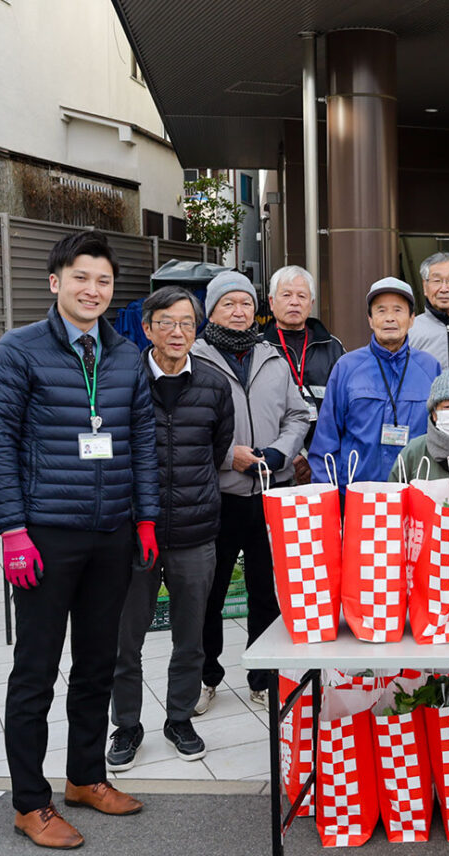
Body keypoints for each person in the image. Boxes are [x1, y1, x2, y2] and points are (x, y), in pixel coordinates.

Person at [0, 230, 159, 848]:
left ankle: (85, 777)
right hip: (46, 536)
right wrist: (12, 531)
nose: (93, 289)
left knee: (96, 665)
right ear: (56, 282)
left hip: (111, 533)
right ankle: (30, 803)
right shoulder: (19, 350)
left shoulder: (126, 355)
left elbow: (142, 442)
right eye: (81, 277)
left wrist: (145, 519)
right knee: (36, 670)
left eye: (103, 280)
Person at [108, 286, 234, 771]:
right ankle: (127, 726)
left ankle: (179, 719)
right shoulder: (124, 382)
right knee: (126, 640)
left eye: (186, 323)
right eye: (166, 322)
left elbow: (218, 448)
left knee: (190, 637)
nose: (177, 332)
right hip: (133, 535)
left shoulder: (213, 385)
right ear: (147, 329)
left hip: (194, 533)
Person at [190, 271, 309, 711]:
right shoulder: (195, 359)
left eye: (245, 303)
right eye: (228, 304)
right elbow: (183, 428)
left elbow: (298, 415)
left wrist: (280, 452)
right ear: (212, 310)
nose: (238, 312)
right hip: (217, 496)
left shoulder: (271, 357)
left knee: (266, 591)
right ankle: (206, 676)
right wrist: (228, 456)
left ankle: (263, 678)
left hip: (270, 493)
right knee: (211, 592)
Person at [311, 277, 441, 485]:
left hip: (414, 490)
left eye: (398, 310)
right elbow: (326, 438)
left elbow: (440, 434)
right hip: (356, 492)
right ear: (370, 320)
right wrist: (327, 493)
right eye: (381, 310)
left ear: (412, 319)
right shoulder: (347, 367)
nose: (390, 318)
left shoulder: (430, 368)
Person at [261, 264, 345, 484]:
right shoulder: (257, 348)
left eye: (301, 296)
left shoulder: (332, 347)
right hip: (273, 462)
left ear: (311, 304)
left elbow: (343, 408)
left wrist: (314, 456)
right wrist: (289, 453)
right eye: (286, 295)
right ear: (272, 302)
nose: (294, 302)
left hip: (323, 461)